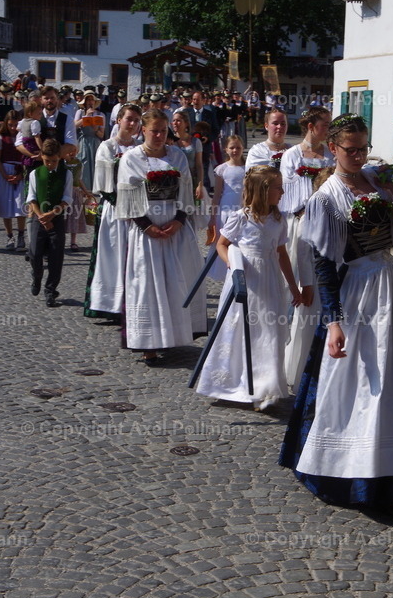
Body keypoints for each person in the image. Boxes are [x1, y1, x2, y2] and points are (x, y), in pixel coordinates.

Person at [278, 114, 393, 518]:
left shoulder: (379, 182)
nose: (359, 156)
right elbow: (324, 266)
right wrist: (334, 322)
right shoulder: (326, 199)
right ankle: (356, 475)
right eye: (351, 149)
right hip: (360, 294)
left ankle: (392, 474)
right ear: (333, 148)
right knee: (363, 385)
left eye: (364, 148)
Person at [195, 166, 303, 409]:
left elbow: (281, 253)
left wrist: (293, 287)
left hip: (270, 281)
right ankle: (234, 382)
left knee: (269, 331)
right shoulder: (241, 217)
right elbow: (222, 245)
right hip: (247, 281)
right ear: (263, 191)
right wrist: (234, 266)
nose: (282, 192)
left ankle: (266, 387)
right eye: (277, 188)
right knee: (241, 329)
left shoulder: (278, 220)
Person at [115, 109, 207, 364]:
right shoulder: (131, 159)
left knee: (175, 282)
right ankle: (149, 342)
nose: (158, 135)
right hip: (147, 233)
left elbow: (186, 190)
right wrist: (147, 226)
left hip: (174, 230)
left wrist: (178, 221)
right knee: (147, 284)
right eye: (154, 130)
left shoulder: (176, 156)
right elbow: (128, 197)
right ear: (142, 130)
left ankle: (176, 333)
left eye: (163, 131)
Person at [280, 106, 334, 382]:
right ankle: (286, 345)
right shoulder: (292, 155)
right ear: (311, 126)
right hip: (299, 224)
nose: (328, 129)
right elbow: (288, 195)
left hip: (325, 224)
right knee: (297, 282)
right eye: (325, 124)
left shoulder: (330, 155)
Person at [84, 104, 142, 321]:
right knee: (113, 255)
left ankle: (132, 302)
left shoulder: (140, 147)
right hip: (114, 207)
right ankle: (109, 304)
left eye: (137, 120)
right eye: (129, 119)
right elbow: (103, 182)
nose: (133, 123)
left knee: (135, 257)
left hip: (137, 209)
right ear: (118, 120)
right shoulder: (107, 147)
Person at [26, 139, 73, 308]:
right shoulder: (35, 174)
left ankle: (50, 290)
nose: (51, 164)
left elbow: (67, 198)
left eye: (54, 161)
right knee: (35, 253)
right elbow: (31, 198)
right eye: (47, 161)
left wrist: (52, 214)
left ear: (59, 158)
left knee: (56, 256)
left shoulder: (66, 174)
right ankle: (36, 276)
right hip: (39, 219)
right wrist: (41, 217)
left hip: (57, 219)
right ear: (42, 157)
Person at [206, 135, 247, 280]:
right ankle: (223, 269)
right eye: (232, 147)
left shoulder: (248, 168)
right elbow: (216, 195)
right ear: (226, 149)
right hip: (225, 209)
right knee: (223, 240)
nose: (235, 150)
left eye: (238, 147)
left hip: (242, 209)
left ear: (242, 148)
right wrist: (212, 217)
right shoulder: (222, 169)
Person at [0, 110, 28, 251]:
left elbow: (26, 158)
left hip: (20, 171)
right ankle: (9, 235)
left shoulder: (23, 137)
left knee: (21, 206)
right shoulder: (1, 138)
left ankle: (21, 235)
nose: (13, 128)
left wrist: (21, 175)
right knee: (5, 206)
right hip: (5, 172)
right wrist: (5, 175)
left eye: (16, 125)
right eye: (11, 125)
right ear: (6, 124)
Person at [62, 146, 91, 251]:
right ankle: (60, 240)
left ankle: (73, 241)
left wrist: (86, 192)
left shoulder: (79, 163)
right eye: (70, 151)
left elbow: (79, 179)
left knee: (74, 216)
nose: (72, 153)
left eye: (74, 151)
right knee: (62, 216)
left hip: (75, 191)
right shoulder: (62, 163)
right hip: (64, 191)